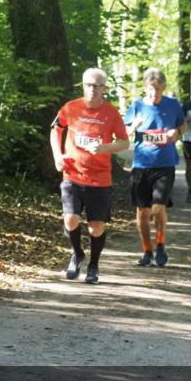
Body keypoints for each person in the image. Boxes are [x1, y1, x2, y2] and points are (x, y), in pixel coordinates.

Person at [50, 68, 130, 284]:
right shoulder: (71, 108)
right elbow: (55, 129)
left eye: (97, 86)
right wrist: (58, 155)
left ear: (104, 88)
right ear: (82, 85)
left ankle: (93, 265)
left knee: (96, 227)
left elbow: (124, 142)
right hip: (73, 174)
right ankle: (77, 254)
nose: (92, 90)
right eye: (88, 85)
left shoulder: (111, 113)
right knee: (71, 219)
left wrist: (104, 148)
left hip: (100, 178)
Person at [124, 68, 187, 267]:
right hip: (142, 164)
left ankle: (160, 244)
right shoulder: (136, 106)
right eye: (151, 90)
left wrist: (175, 132)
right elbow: (123, 133)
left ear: (164, 88)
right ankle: (147, 251)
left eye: (158, 89)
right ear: (145, 88)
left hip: (165, 163)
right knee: (142, 212)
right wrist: (134, 126)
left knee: (158, 207)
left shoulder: (173, 105)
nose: (155, 94)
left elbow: (184, 127)